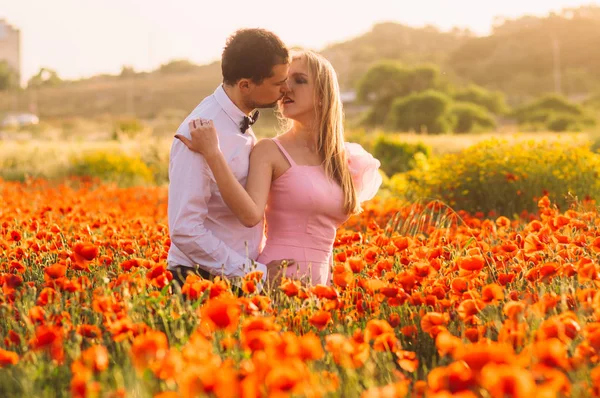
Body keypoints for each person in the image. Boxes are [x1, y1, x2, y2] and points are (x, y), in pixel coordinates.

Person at [175, 50, 382, 286]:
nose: (286, 89)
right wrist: (213, 154)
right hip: (280, 280)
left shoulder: (343, 159)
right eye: (284, 81)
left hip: (323, 285)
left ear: (324, 94)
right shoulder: (269, 151)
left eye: (299, 81)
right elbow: (250, 214)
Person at [167, 28, 295, 290]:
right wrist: (249, 273)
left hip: (233, 276)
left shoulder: (237, 119)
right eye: (277, 82)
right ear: (245, 85)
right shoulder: (198, 132)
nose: (285, 89)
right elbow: (185, 228)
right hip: (200, 280)